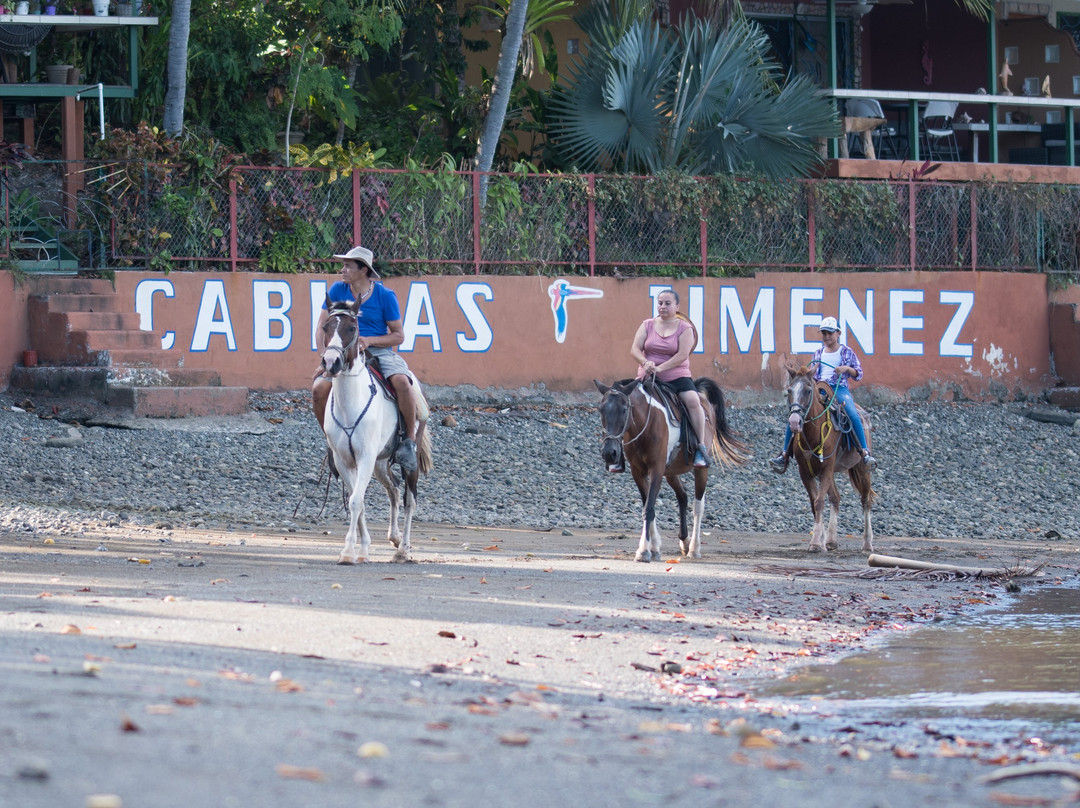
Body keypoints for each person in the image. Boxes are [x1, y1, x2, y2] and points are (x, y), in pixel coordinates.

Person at [312, 246, 422, 474]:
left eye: (348, 266)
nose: (342, 270)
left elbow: (398, 335)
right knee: (318, 390)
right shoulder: (337, 290)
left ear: (363, 270)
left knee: (402, 382)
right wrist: (325, 354)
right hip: (343, 352)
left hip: (378, 351)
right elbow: (321, 326)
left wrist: (369, 341)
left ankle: (408, 442)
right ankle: (333, 443)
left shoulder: (385, 296)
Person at [770, 316, 877, 474]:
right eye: (824, 333)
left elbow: (858, 373)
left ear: (838, 333)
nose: (826, 337)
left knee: (853, 414)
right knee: (796, 413)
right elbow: (814, 373)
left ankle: (864, 452)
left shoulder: (846, 352)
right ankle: (785, 453)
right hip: (819, 388)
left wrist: (846, 369)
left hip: (838, 388)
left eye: (830, 333)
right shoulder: (818, 353)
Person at [630, 288, 710, 468]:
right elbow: (634, 349)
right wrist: (645, 362)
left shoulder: (685, 328)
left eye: (667, 303)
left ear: (677, 306)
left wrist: (660, 367)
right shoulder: (647, 325)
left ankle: (700, 447)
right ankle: (621, 449)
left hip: (677, 377)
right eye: (660, 303)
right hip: (648, 377)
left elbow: (682, 355)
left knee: (693, 401)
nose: (662, 307)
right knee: (624, 401)